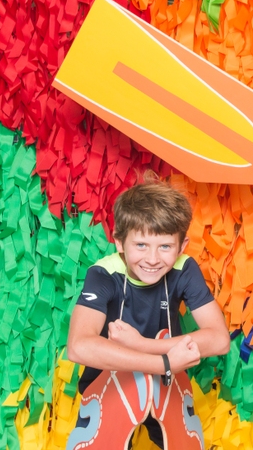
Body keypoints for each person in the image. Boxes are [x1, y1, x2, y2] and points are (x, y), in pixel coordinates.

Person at [67, 179, 230, 448]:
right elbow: (78, 346)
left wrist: (144, 345)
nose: (153, 259)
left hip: (168, 383)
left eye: (165, 247)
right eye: (141, 245)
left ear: (182, 246)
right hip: (111, 381)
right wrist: (163, 363)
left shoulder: (184, 268)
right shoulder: (103, 273)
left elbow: (219, 339)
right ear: (119, 242)